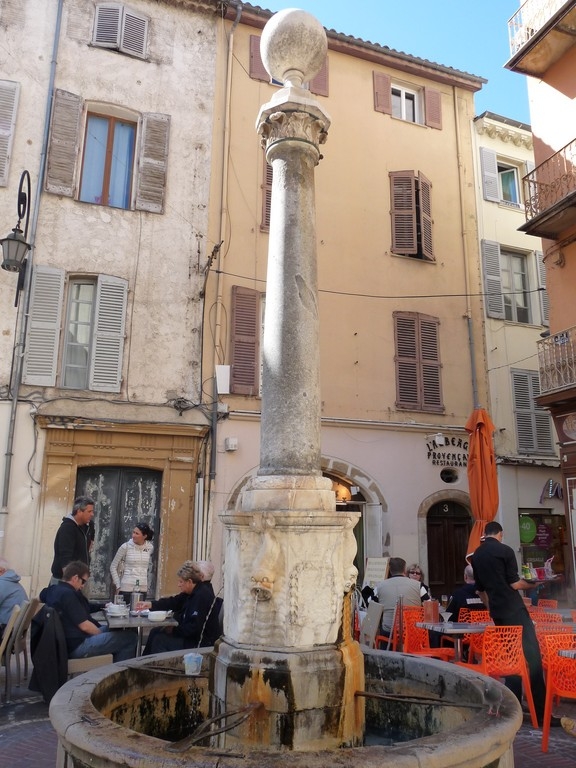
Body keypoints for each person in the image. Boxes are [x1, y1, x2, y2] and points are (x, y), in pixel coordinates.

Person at [471, 520, 560, 729]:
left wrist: (491, 607)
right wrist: (537, 582)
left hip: (498, 612)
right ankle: (540, 712)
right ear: (500, 534)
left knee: (510, 658)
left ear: (486, 534)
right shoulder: (505, 550)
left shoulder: (476, 555)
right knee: (533, 657)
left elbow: (480, 589)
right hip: (514, 609)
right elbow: (515, 583)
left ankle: (514, 706)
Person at [40, 561, 137, 662]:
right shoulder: (69, 595)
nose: (83, 586)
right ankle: (121, 675)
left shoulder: (51, 590)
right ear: (75, 578)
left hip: (66, 642)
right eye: (83, 582)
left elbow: (37, 599)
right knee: (130, 638)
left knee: (121, 631)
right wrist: (101, 635)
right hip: (77, 645)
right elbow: (85, 626)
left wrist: (103, 606)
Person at [140, 560, 220, 655]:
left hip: (199, 643)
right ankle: (143, 664)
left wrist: (174, 630)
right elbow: (174, 602)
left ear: (190, 581)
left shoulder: (202, 596)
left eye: (181, 582)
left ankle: (159, 667)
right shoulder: (191, 592)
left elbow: (194, 628)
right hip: (190, 636)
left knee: (160, 640)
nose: (178, 585)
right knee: (155, 632)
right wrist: (151, 604)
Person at [50, 496, 95, 583]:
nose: (92, 514)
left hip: (82, 578)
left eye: (92, 511)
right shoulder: (67, 528)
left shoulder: (89, 526)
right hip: (65, 580)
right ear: (79, 511)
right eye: (89, 511)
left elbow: (90, 545)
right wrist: (69, 583)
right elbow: (65, 557)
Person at [375, 557, 421, 636]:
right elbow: (429, 606)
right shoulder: (418, 586)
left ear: (390, 570)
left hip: (389, 630)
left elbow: (371, 605)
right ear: (404, 570)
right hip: (412, 630)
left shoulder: (379, 586)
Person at [110, 522, 154, 603]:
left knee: (138, 613)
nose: (133, 535)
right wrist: (118, 585)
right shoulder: (125, 547)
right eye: (133, 532)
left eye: (137, 533)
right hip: (126, 587)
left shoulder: (150, 547)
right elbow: (113, 566)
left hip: (142, 588)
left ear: (144, 536)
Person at [0, 558, 28, 640]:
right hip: (14, 631)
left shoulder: (2, 583)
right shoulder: (11, 581)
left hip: (5, 632)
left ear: (1, 570)